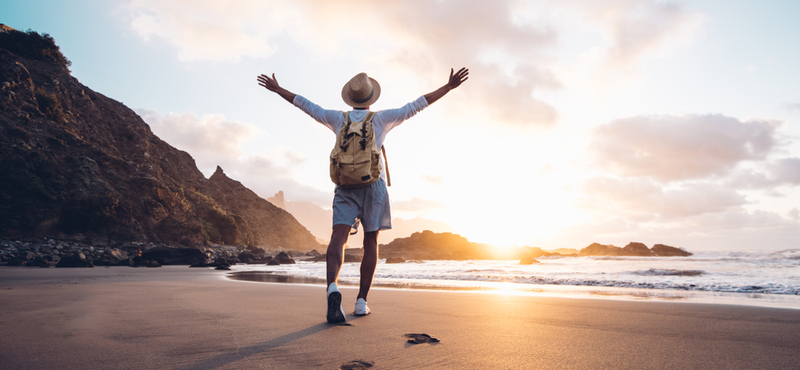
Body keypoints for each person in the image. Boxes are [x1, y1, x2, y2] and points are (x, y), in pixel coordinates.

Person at [257, 67, 469, 323]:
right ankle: (361, 302)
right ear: (370, 99)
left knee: (339, 237)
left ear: (350, 98)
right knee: (371, 241)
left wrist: (278, 89)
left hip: (345, 186)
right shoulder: (382, 119)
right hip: (373, 186)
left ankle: (332, 288)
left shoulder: (337, 118)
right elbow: (417, 105)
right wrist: (447, 87)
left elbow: (306, 105)